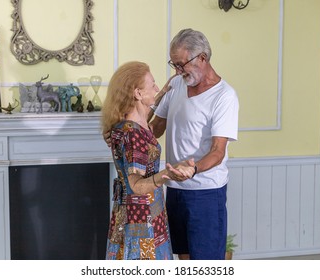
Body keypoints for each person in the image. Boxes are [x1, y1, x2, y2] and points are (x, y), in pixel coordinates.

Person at [149, 28, 239, 260]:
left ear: (203, 58)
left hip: (206, 192)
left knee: (206, 264)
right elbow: (154, 129)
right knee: (184, 258)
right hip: (175, 189)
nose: (178, 70)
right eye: (174, 64)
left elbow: (218, 151)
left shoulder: (224, 97)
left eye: (182, 64)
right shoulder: (177, 84)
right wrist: (127, 130)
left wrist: (193, 168)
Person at [101, 61, 194, 260]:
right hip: (140, 217)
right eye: (152, 84)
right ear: (137, 94)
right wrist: (169, 174)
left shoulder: (131, 125)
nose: (157, 87)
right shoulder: (132, 135)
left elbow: (147, 132)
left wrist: (162, 93)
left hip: (147, 212)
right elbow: (136, 186)